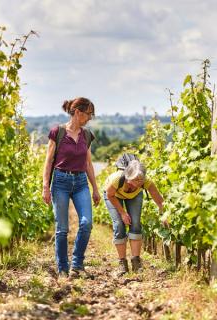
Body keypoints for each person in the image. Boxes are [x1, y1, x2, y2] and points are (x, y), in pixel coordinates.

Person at [42, 97, 101, 278]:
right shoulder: (57, 132)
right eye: (88, 114)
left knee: (86, 223)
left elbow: (89, 164)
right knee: (62, 229)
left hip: (81, 182)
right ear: (77, 112)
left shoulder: (87, 135)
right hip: (60, 181)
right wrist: (45, 186)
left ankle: (77, 265)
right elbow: (49, 160)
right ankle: (62, 269)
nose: (90, 118)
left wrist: (95, 189)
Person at [103, 160, 164, 275]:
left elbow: (159, 200)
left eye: (141, 180)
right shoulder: (117, 179)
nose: (139, 183)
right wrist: (122, 213)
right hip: (113, 196)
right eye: (136, 180)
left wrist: (164, 214)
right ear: (128, 177)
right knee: (119, 225)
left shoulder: (146, 182)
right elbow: (109, 194)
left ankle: (136, 261)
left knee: (135, 223)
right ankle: (122, 263)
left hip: (133, 196)